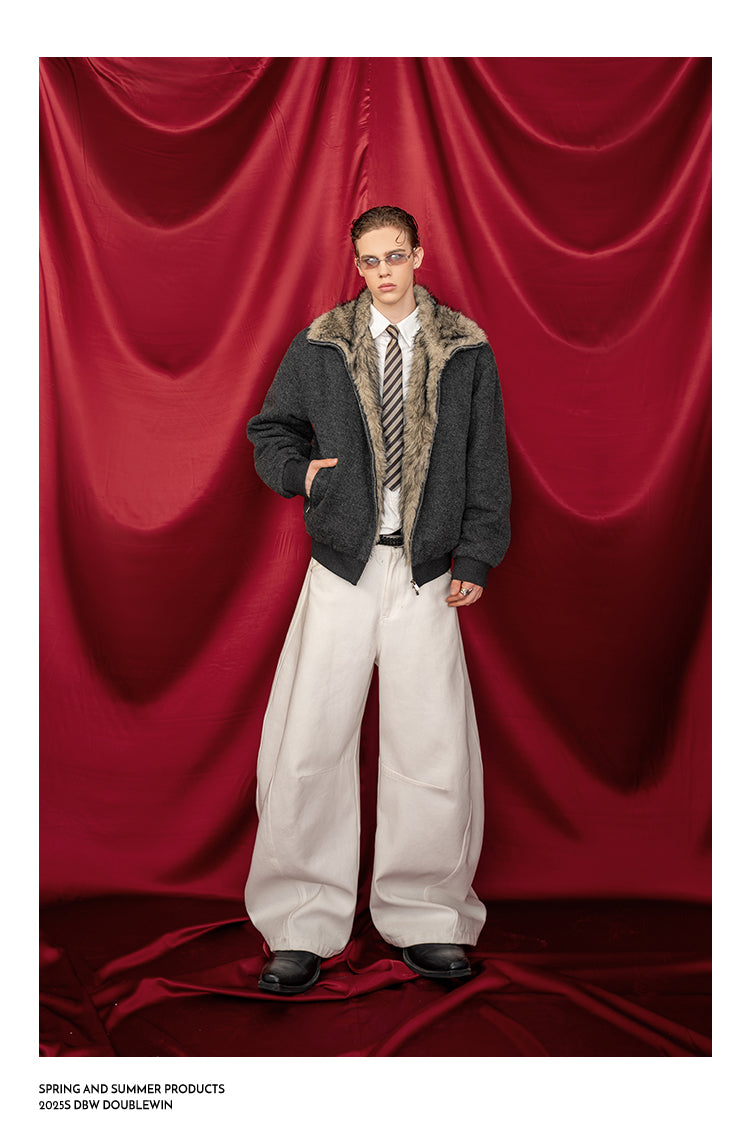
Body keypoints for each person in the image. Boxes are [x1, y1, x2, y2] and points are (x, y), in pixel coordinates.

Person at [244, 205, 511, 994]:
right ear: (356, 264)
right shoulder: (322, 343)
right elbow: (270, 431)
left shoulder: (464, 348)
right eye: (369, 260)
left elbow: (486, 458)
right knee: (309, 742)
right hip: (342, 568)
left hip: (425, 573)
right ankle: (300, 921)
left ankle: (428, 915)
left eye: (395, 256)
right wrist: (304, 475)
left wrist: (477, 553)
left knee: (431, 746)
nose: (383, 272)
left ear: (418, 254)